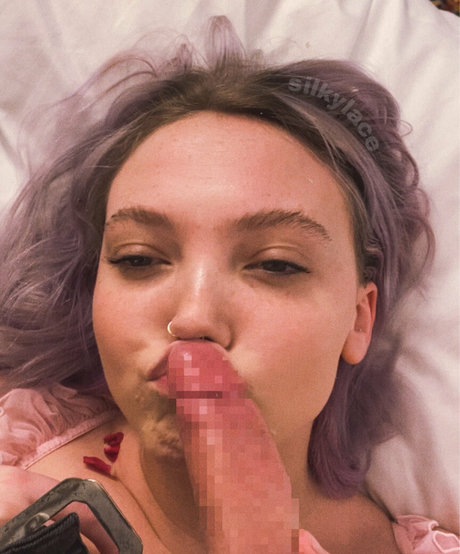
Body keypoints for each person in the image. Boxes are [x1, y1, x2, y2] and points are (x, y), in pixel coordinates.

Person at [0, 15, 458, 553]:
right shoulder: (17, 452)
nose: (194, 317)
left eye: (276, 265)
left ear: (359, 320)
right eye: (138, 258)